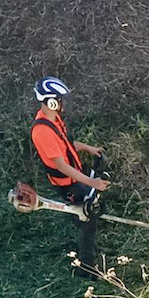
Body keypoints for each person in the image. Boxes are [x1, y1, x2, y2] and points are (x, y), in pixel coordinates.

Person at [29, 76, 109, 278]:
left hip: (76, 177)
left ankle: (90, 246)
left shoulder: (53, 119)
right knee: (86, 221)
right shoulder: (42, 132)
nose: (63, 103)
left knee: (91, 211)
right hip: (68, 185)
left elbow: (66, 144)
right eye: (60, 99)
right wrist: (92, 182)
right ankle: (87, 269)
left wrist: (88, 148)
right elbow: (62, 166)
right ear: (51, 101)